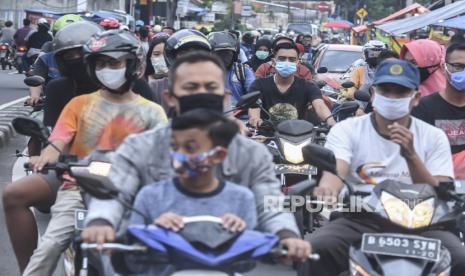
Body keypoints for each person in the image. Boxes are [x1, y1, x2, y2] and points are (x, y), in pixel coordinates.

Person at [81, 51, 311, 262]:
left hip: (226, 262)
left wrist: (287, 234)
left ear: (225, 97)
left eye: (210, 87)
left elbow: (269, 202)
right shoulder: (140, 147)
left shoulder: (251, 153)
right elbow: (115, 192)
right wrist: (101, 222)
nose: (201, 94)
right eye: (191, 87)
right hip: (154, 261)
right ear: (171, 98)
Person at [22, 29, 167, 276]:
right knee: (49, 246)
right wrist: (44, 158)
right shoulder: (79, 104)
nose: (106, 69)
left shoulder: (152, 112)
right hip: (78, 187)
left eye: (114, 63)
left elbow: (164, 153)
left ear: (132, 65)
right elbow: (58, 140)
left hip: (132, 192)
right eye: (100, 63)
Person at [308, 60, 464, 275]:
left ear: (416, 97)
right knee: (317, 249)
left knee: (459, 259)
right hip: (361, 219)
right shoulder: (347, 130)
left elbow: (440, 190)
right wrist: (327, 189)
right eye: (385, 90)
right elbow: (336, 169)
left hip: (423, 225)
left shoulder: (433, 137)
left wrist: (411, 155)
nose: (392, 97)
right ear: (373, 92)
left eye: (401, 92)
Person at [131, 109, 256, 275]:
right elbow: (132, 260)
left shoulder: (241, 199)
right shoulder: (150, 197)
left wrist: (239, 237)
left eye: (190, 148)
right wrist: (154, 232)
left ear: (218, 155)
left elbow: (247, 264)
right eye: (174, 147)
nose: (179, 155)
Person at [248, 43, 335, 127]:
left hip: (300, 136)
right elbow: (254, 106)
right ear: (274, 62)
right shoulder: (259, 84)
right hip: (265, 135)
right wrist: (255, 119)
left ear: (297, 63)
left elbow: (319, 105)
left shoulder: (308, 86)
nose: (287, 62)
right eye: (282, 59)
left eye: (292, 59)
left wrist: (330, 121)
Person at [412, 42, 465, 179]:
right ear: (444, 67)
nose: (463, 72)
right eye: (459, 66)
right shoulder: (422, 108)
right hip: (438, 187)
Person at [149, 29, 211, 115]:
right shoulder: (154, 88)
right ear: (172, 57)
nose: (192, 58)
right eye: (184, 53)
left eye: (199, 53)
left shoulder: (214, 89)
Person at [27, 14, 83, 106]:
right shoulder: (46, 59)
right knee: (35, 117)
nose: (69, 40)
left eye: (74, 36)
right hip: (53, 103)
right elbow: (37, 79)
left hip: (87, 107)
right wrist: (35, 96)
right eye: (64, 36)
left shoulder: (91, 59)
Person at [208, 31, 255, 106]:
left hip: (240, 114)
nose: (224, 58)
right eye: (220, 54)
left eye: (227, 54)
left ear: (234, 55)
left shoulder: (242, 71)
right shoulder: (204, 73)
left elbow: (253, 89)